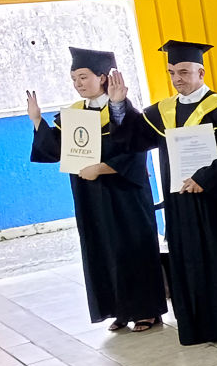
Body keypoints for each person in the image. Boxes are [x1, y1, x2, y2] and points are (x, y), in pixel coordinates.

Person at [110, 40, 217, 345]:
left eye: (183, 71)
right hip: (181, 202)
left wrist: (204, 178)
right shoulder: (162, 111)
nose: (177, 78)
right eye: (171, 72)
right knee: (189, 262)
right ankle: (199, 328)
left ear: (201, 72)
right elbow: (130, 140)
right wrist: (118, 105)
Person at [27, 48, 166, 333]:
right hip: (90, 195)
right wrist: (37, 120)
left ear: (103, 78)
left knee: (132, 248)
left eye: (83, 77)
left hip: (124, 194)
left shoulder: (124, 112)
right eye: (73, 78)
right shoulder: (73, 114)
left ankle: (146, 312)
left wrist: (100, 169)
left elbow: (135, 153)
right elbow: (55, 149)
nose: (77, 83)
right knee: (101, 248)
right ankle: (118, 310)